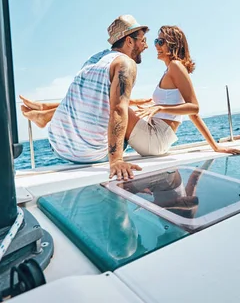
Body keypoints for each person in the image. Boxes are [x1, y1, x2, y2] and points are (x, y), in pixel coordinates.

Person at [21, 14, 150, 181]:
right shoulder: (125, 63)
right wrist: (116, 160)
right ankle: (45, 114)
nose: (145, 46)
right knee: (127, 113)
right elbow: (118, 109)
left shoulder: (94, 59)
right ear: (129, 41)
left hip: (58, 145)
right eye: (142, 40)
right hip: (89, 154)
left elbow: (91, 99)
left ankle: (45, 114)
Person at [128, 25, 240, 157]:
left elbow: (194, 108)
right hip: (155, 138)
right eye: (156, 41)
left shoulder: (175, 66)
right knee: (119, 105)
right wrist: (214, 146)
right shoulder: (170, 70)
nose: (156, 46)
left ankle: (110, 156)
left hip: (156, 139)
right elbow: (193, 115)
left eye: (161, 42)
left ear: (173, 45)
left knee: (115, 106)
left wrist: (159, 107)